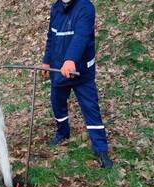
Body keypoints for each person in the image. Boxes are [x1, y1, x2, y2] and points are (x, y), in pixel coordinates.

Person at [41, 0, 113, 168]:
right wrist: (46, 61)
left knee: (91, 108)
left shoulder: (85, 8)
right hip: (59, 70)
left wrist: (71, 59)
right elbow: (51, 37)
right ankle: (63, 133)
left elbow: (81, 36)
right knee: (57, 103)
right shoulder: (56, 8)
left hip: (81, 72)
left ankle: (100, 148)